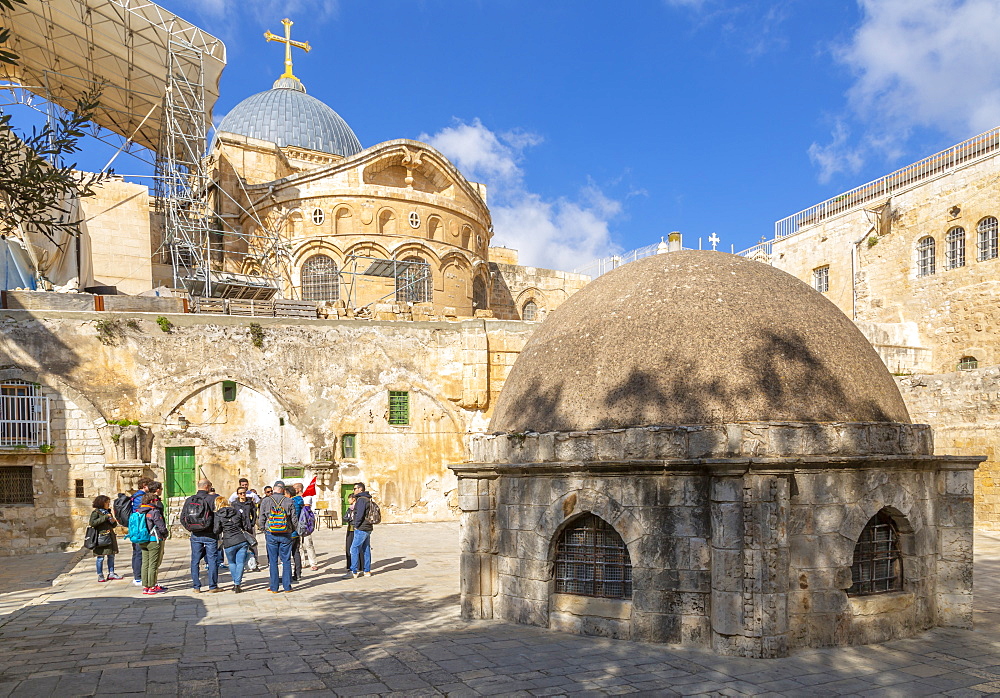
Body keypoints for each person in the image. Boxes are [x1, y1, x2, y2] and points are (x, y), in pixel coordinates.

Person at [259, 483, 298, 593]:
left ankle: (274, 587)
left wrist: (263, 529)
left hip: (271, 533)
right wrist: (295, 530)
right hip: (286, 533)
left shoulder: (266, 501)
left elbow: (261, 517)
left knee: (273, 561)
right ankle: (287, 586)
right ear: (283, 490)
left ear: (274, 489)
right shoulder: (289, 501)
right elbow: (294, 519)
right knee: (286, 560)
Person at [186, 479, 222, 592]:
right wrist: (217, 531)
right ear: (206, 487)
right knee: (212, 560)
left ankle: (196, 586)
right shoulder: (212, 499)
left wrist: (190, 528)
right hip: (210, 534)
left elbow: (183, 517)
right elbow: (218, 517)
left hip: (195, 534)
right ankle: (213, 586)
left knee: (195, 560)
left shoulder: (189, 500)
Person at [214, 496, 250, 593]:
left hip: (228, 541)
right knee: (240, 562)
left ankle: (235, 582)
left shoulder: (218, 515)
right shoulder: (236, 511)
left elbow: (216, 530)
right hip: (241, 540)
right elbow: (244, 525)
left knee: (232, 563)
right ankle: (237, 584)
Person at [138, 492, 168, 594]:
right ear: (151, 501)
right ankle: (152, 586)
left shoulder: (139, 511)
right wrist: (165, 535)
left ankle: (145, 586)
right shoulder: (154, 511)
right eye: (156, 500)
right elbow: (161, 526)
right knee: (153, 564)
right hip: (154, 539)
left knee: (145, 563)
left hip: (142, 540)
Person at [89, 495, 122, 582]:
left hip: (110, 536)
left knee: (111, 555)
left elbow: (113, 525)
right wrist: (105, 517)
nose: (108, 504)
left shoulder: (108, 512)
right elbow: (92, 523)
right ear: (102, 503)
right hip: (100, 537)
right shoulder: (96, 513)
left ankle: (111, 573)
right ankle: (100, 574)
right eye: (107, 503)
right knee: (100, 558)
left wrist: (113, 521)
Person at [129, 477, 153, 587]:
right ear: (144, 486)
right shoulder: (140, 497)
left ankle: (137, 575)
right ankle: (138, 577)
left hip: (134, 527)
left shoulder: (134, 496)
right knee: (139, 552)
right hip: (140, 527)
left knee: (136, 552)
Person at [347, 482, 374, 578]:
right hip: (367, 527)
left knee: (353, 549)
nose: (353, 490)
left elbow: (360, 514)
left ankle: (353, 571)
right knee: (366, 549)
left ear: (360, 489)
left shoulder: (361, 500)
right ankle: (367, 571)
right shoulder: (367, 499)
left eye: (354, 488)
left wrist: (356, 525)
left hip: (362, 527)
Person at [232, 487, 259, 571]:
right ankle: (240, 563)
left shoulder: (250, 502)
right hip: (239, 528)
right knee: (239, 545)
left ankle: (254, 563)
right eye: (241, 493)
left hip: (248, 527)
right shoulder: (234, 504)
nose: (243, 495)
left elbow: (254, 514)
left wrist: (252, 523)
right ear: (237, 494)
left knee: (252, 545)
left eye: (244, 493)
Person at [294, 482, 319, 571]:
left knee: (308, 544)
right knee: (299, 545)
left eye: (295, 488)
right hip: (297, 523)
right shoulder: (294, 499)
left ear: (299, 489)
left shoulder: (306, 497)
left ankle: (313, 563)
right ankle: (302, 562)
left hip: (305, 523)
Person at [344, 493, 356, 572]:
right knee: (348, 547)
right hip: (349, 529)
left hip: (356, 529)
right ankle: (350, 565)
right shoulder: (349, 508)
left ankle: (357, 565)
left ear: (353, 499)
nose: (348, 500)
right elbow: (345, 517)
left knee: (355, 548)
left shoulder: (357, 508)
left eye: (349, 498)